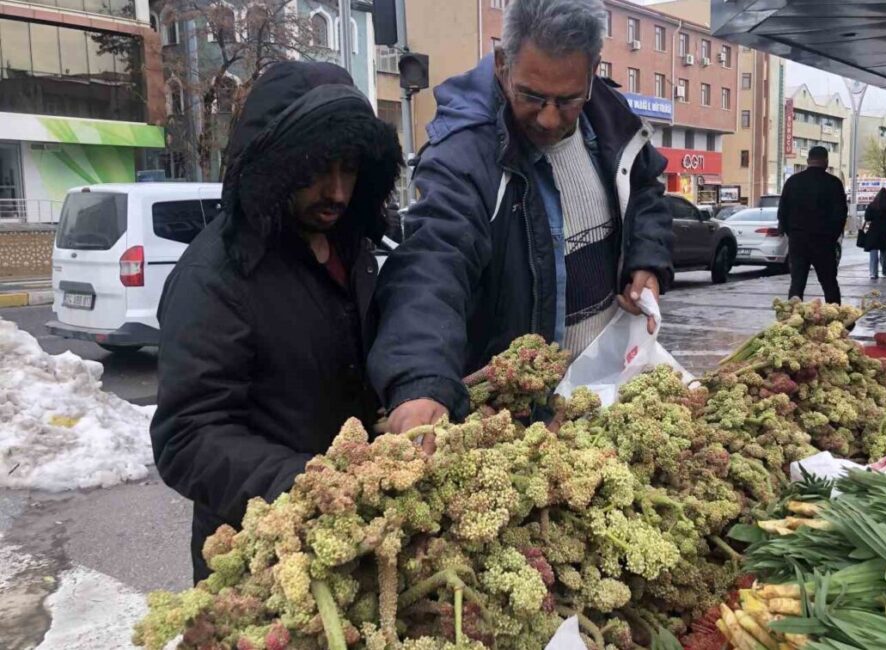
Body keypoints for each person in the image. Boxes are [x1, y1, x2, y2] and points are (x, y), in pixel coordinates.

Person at [368, 0, 674, 441]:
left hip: (607, 390)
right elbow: (433, 264)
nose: (549, 118)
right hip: (517, 418)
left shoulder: (614, 122)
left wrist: (646, 258)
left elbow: (646, 191)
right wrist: (420, 379)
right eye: (531, 96)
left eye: (568, 99)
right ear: (501, 65)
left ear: (592, 71)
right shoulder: (465, 154)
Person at [150, 61, 403, 582]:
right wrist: (304, 482)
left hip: (349, 541)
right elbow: (187, 437)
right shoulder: (216, 274)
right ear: (275, 164)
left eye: (350, 169)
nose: (336, 191)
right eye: (317, 171)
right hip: (260, 557)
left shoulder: (350, 248)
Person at [777, 146, 848, 304]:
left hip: (798, 240)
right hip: (824, 242)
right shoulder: (834, 183)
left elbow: (782, 211)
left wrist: (792, 233)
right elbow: (840, 214)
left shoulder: (793, 182)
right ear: (826, 162)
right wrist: (831, 237)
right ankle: (836, 319)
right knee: (829, 283)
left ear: (808, 161)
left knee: (797, 284)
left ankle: (793, 320)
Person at [860, 188, 886, 280]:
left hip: (874, 232)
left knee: (873, 253)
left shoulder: (872, 206)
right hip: (885, 232)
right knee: (884, 252)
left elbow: (867, 218)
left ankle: (874, 273)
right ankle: (885, 270)